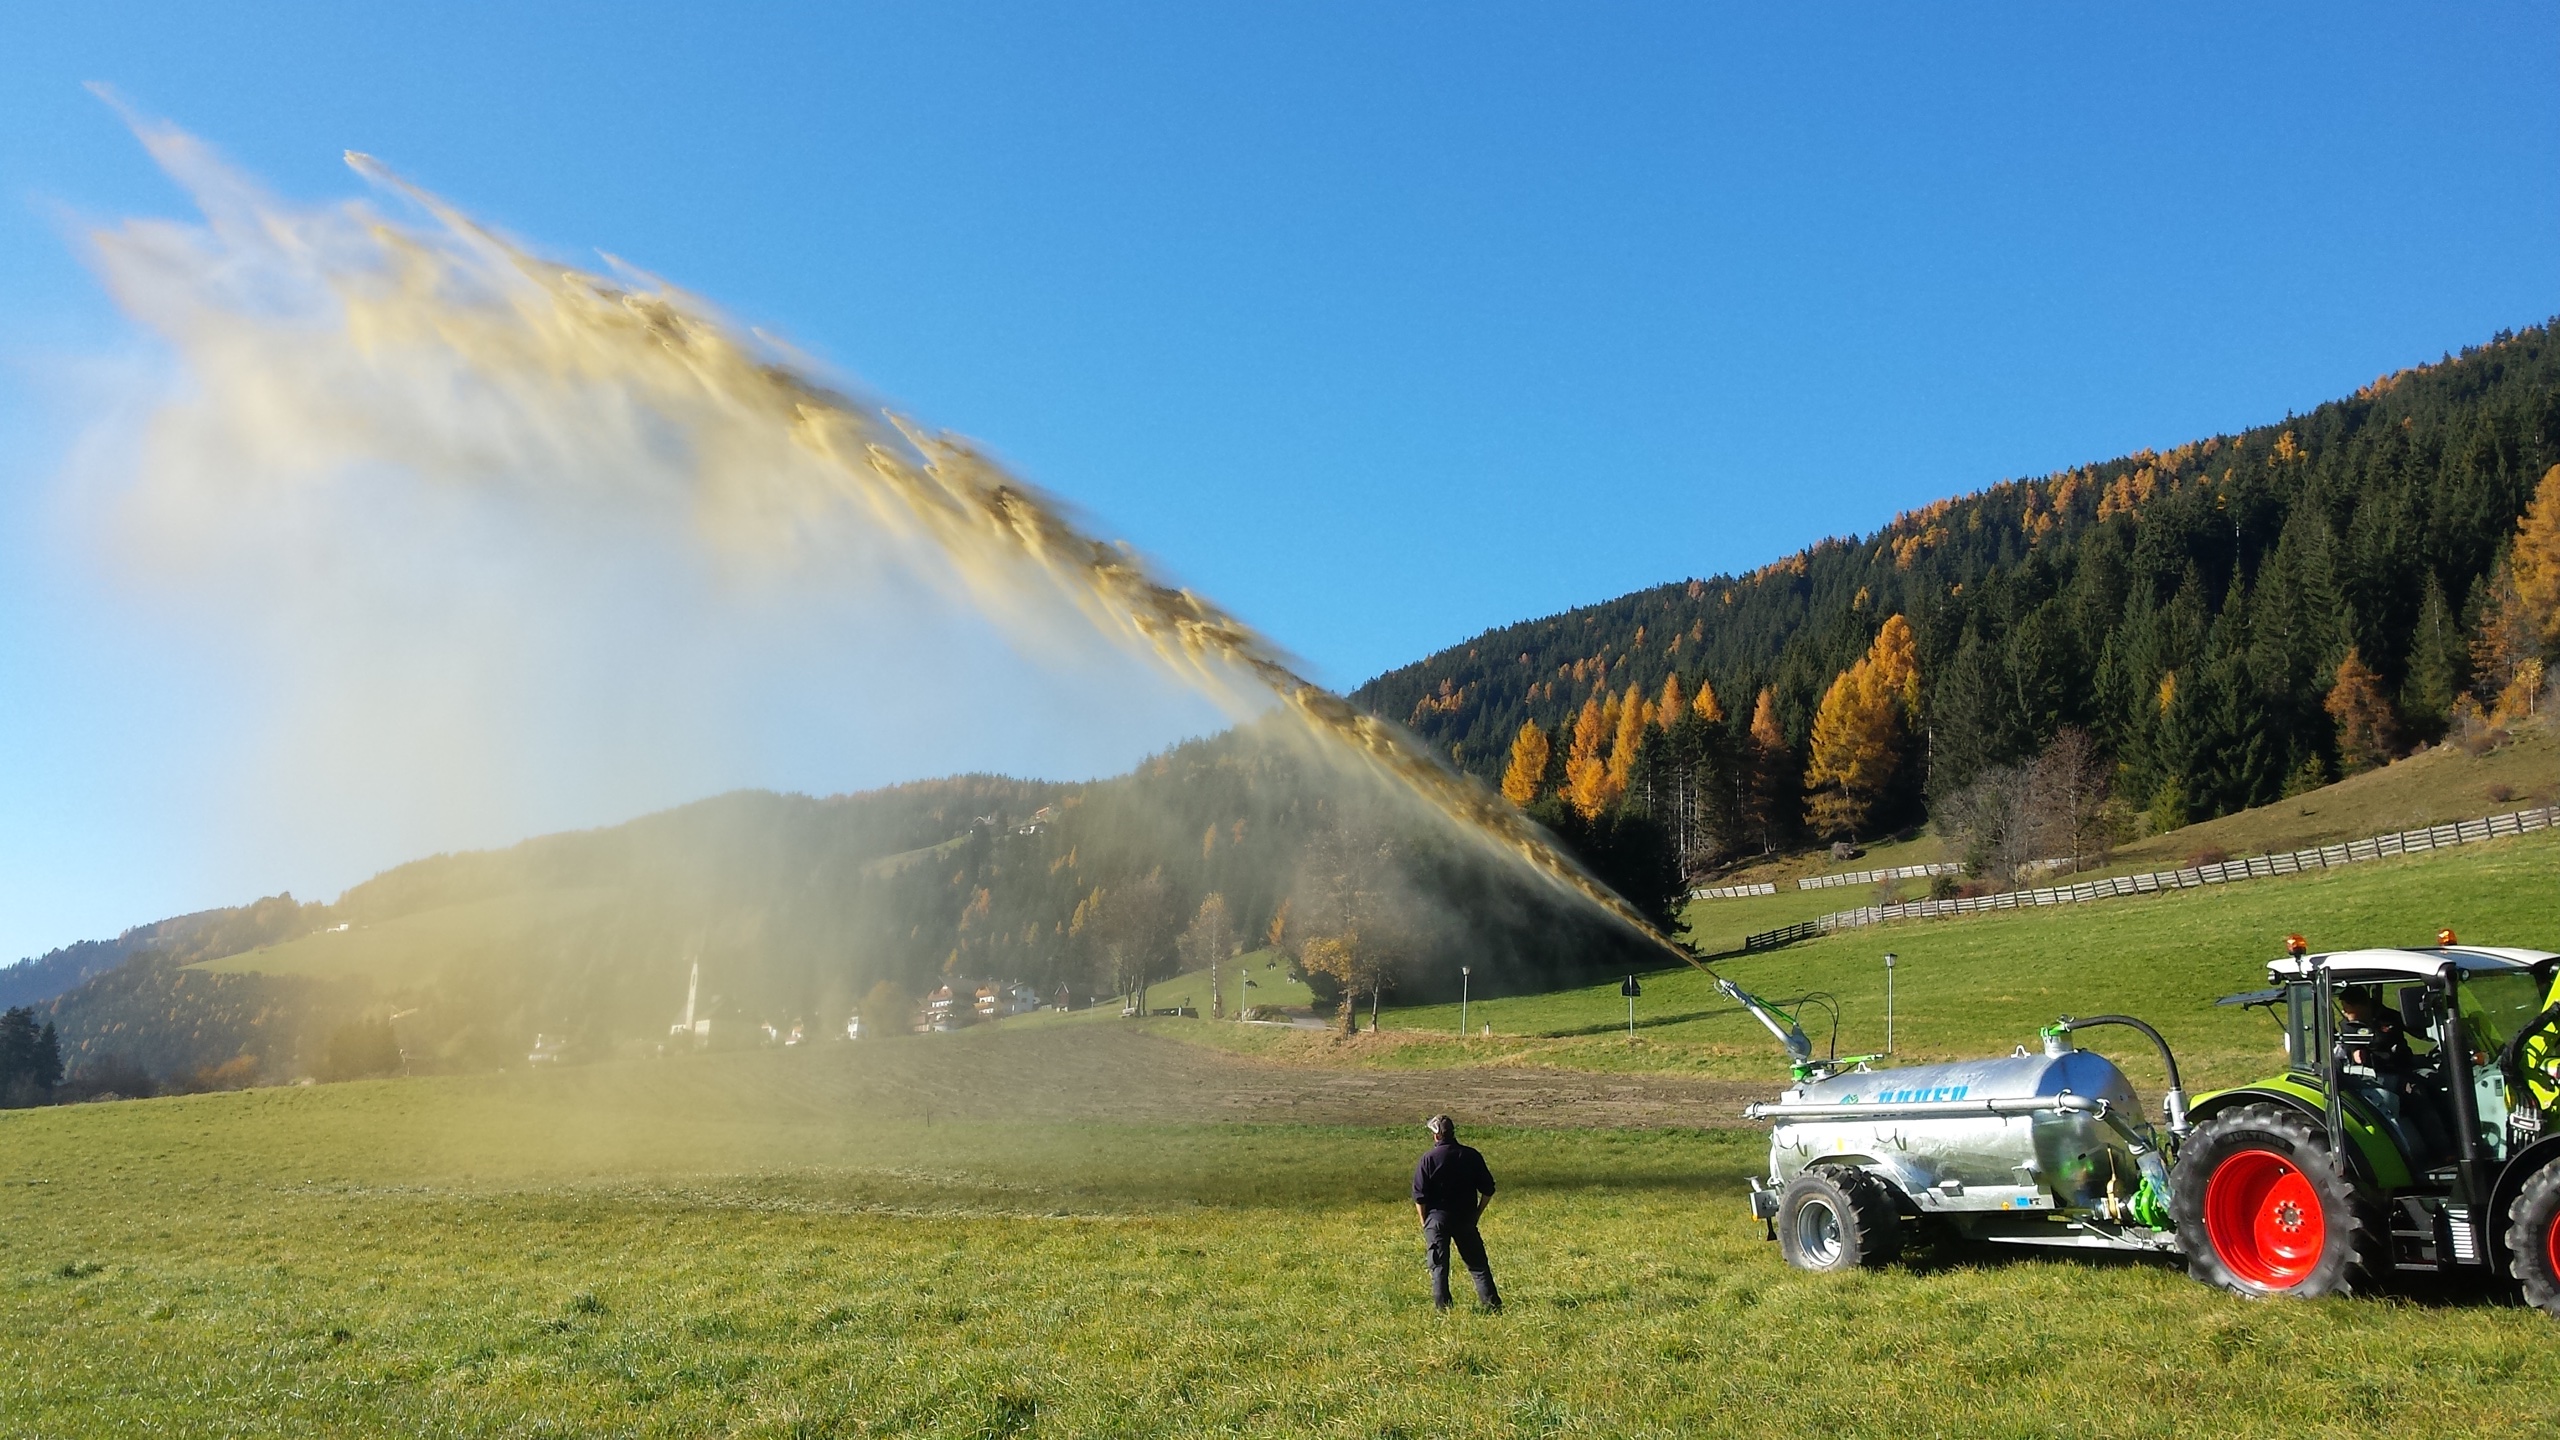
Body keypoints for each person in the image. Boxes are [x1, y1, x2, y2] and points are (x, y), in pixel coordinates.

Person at [1411, 1114, 1501, 1312]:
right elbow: (1488, 1189)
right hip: (1465, 1219)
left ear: (1436, 1136)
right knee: (1478, 1265)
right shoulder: (1471, 1155)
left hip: (1436, 1220)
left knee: (1439, 1267)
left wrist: (1424, 1221)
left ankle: (1443, 1310)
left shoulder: (1428, 1159)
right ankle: (1492, 1306)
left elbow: (1420, 1197)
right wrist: (1477, 1213)